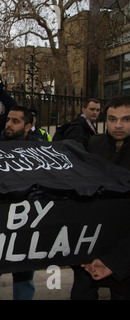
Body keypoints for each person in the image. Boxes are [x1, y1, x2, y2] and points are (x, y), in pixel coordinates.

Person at [73, 95, 130, 300]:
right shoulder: (94, 144)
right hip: (91, 248)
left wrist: (116, 262)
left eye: (126, 119)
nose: (118, 125)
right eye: (113, 119)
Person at [0, 106, 37, 300]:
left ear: (28, 126)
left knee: (24, 273)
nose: (9, 124)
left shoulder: (38, 151)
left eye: (15, 121)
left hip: (25, 222)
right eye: (8, 120)